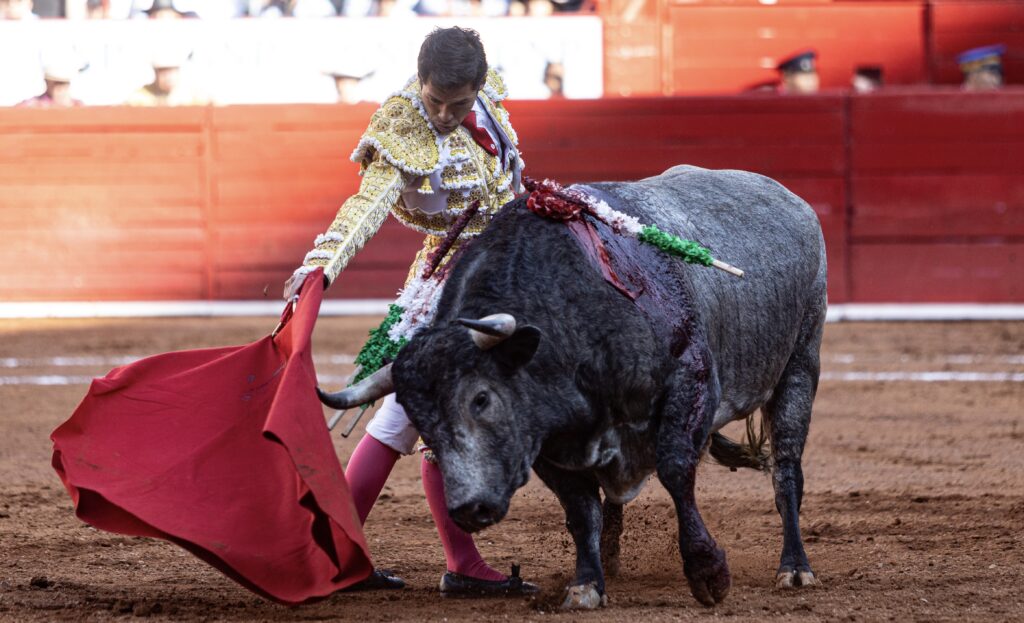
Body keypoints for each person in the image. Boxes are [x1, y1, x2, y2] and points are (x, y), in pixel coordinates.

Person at [283, 26, 535, 597]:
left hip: (501, 280)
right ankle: (430, 561)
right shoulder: (402, 127)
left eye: (459, 103)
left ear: (477, 87)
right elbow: (366, 204)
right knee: (416, 421)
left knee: (410, 420)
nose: (445, 115)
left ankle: (339, 552)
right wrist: (324, 262)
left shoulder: (486, 96)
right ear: (418, 82)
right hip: (450, 293)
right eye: (434, 101)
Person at [125, 49, 207, 107]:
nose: (168, 77)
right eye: (163, 71)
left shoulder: (192, 96)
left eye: (171, 71)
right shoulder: (141, 97)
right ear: (156, 73)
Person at [18, 58, 84, 108]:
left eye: (64, 83)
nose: (61, 88)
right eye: (57, 83)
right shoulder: (31, 105)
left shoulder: (78, 105)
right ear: (47, 82)